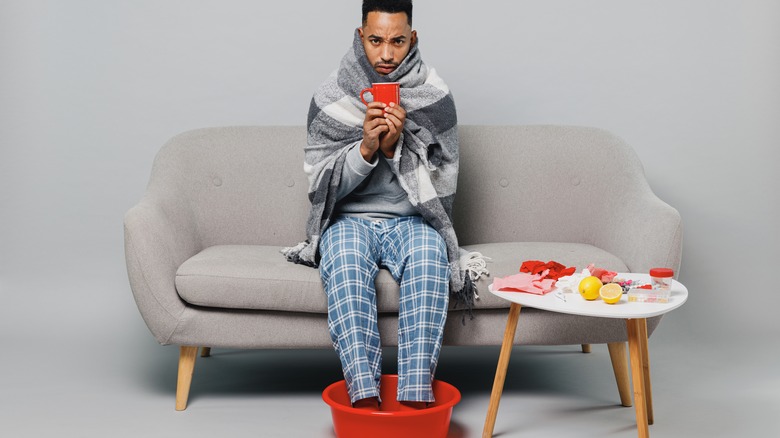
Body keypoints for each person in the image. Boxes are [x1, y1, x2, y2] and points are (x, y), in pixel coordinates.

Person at [282, 0, 484, 410]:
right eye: (376, 41)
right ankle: (363, 397)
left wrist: (397, 149)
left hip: (413, 223)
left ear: (413, 38)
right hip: (349, 221)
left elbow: (444, 182)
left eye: (397, 41)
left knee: (431, 257)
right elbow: (320, 187)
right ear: (361, 37)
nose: (387, 54)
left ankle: (415, 399)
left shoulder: (435, 95)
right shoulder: (332, 94)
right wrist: (367, 148)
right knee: (342, 258)